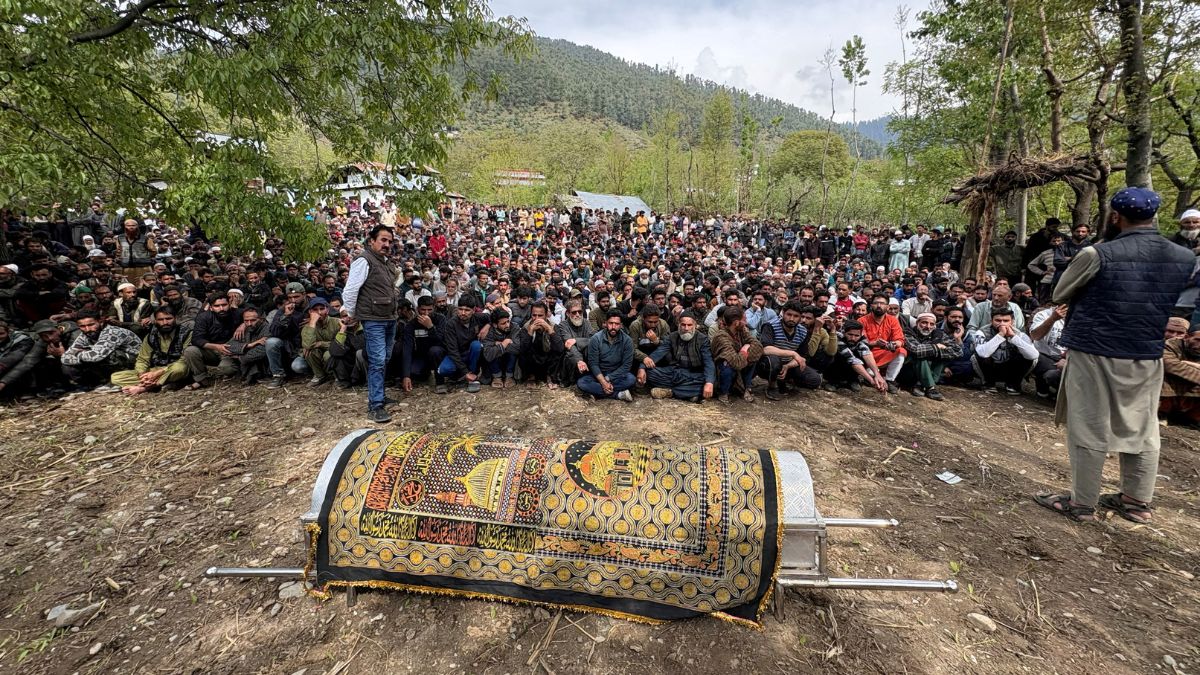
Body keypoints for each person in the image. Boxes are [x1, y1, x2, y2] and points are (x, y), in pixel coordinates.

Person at [1037, 187, 1194, 523]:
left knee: (1089, 426)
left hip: (1096, 348)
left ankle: (1082, 503)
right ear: (1155, 216)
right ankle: (1136, 501)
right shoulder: (1183, 257)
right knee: (1143, 427)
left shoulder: (1097, 254)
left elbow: (1060, 292)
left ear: (1115, 216)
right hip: (1147, 353)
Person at [341, 225, 400, 422]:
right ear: (372, 241)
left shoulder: (384, 262)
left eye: (390, 241)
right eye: (383, 240)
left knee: (384, 358)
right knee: (377, 360)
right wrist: (350, 312)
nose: (387, 244)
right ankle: (375, 405)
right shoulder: (364, 261)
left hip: (389, 317)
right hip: (374, 319)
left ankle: (379, 395)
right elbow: (350, 290)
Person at [111, 307, 193, 395]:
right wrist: (142, 376)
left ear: (175, 318)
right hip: (155, 369)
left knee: (179, 369)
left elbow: (184, 360)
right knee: (115, 377)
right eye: (160, 320)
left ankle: (145, 388)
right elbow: (142, 359)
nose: (165, 323)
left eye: (168, 319)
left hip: (174, 368)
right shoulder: (151, 336)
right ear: (155, 321)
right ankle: (154, 383)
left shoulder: (186, 333)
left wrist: (157, 373)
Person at [639, 313, 715, 402]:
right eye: (683, 325)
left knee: (712, 382)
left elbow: (708, 362)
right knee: (650, 373)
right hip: (675, 372)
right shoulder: (672, 337)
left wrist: (709, 382)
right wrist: (642, 368)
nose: (686, 328)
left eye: (689, 325)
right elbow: (658, 353)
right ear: (678, 325)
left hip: (693, 374)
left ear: (695, 326)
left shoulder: (703, 339)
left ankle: (670, 392)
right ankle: (687, 392)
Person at [60, 310, 140, 390]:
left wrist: (78, 354)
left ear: (100, 321)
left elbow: (96, 356)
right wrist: (84, 355)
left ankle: (117, 381)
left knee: (106, 355)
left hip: (136, 364)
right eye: (82, 326)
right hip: (108, 361)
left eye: (91, 324)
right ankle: (97, 383)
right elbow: (64, 358)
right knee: (68, 366)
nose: (87, 329)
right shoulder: (84, 335)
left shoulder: (113, 332)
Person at [759, 301, 821, 399]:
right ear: (783, 313)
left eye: (796, 316)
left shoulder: (803, 331)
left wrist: (787, 366)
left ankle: (786, 381)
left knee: (815, 379)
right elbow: (766, 349)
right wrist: (793, 353)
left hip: (789, 364)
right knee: (774, 361)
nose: (791, 319)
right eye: (789, 314)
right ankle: (772, 386)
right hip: (769, 363)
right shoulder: (770, 325)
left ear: (800, 317)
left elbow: (802, 356)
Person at [181, 292, 241, 389]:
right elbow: (196, 339)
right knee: (190, 351)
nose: (221, 308)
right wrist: (216, 347)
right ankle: (201, 379)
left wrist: (243, 325)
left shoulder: (237, 313)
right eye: (217, 306)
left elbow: (257, 317)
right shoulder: (203, 317)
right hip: (212, 350)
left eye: (224, 305)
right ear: (211, 307)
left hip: (231, 351)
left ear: (229, 304)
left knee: (226, 369)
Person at [971, 307, 1036, 394]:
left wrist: (1013, 337)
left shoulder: (1019, 334)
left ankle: (1013, 384)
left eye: (1006, 321)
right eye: (998, 320)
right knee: (976, 356)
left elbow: (1033, 355)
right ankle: (988, 383)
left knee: (1030, 357)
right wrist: (1000, 335)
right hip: (990, 367)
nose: (1002, 324)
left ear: (1012, 322)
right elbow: (983, 354)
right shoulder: (982, 332)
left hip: (1009, 368)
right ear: (991, 321)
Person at [897, 312, 960, 400]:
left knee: (938, 356)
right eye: (924, 323)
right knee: (920, 356)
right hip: (909, 372)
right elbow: (916, 350)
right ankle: (930, 388)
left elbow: (958, 351)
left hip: (928, 369)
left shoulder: (939, 334)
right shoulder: (908, 332)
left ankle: (921, 385)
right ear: (917, 323)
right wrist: (936, 347)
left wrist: (934, 352)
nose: (928, 326)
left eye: (931, 324)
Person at [577, 310, 636, 402]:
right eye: (611, 323)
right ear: (605, 323)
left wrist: (608, 379)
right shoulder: (596, 339)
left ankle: (597, 393)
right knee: (582, 383)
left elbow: (626, 366)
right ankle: (618, 395)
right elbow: (593, 364)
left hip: (616, 374)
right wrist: (603, 381)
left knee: (631, 379)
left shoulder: (627, 340)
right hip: (599, 374)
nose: (613, 327)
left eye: (617, 324)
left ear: (621, 325)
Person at [709, 306, 762, 403]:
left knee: (754, 359)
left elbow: (758, 346)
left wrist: (743, 354)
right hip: (726, 369)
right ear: (736, 323)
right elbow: (736, 363)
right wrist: (744, 349)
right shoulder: (721, 336)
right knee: (726, 365)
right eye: (744, 320)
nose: (746, 323)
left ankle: (746, 388)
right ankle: (723, 392)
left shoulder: (742, 331)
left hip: (740, 363)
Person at [437, 295, 485, 394]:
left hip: (470, 353)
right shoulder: (451, 324)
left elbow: (490, 319)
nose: (463, 313)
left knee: (476, 345)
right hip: (456, 354)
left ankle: (473, 376)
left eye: (467, 310)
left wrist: (487, 327)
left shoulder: (478, 317)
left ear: (473, 310)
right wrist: (465, 371)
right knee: (444, 370)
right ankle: (462, 375)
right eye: (460, 309)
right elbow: (452, 350)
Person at [823, 320, 888, 393]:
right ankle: (833, 381)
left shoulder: (862, 338)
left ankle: (852, 379)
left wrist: (877, 375)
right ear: (844, 332)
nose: (853, 338)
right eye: (850, 334)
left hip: (852, 364)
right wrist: (872, 381)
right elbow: (852, 360)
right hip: (834, 366)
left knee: (863, 354)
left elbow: (867, 353)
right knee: (840, 356)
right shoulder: (838, 336)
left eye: (856, 336)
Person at [860, 295, 906, 393]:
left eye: (882, 303)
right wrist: (875, 343)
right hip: (868, 355)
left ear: (887, 306)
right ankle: (872, 375)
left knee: (901, 351)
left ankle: (890, 380)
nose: (879, 306)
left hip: (886, 352)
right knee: (869, 374)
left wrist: (894, 344)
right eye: (876, 303)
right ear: (871, 305)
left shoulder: (892, 320)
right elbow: (860, 342)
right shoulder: (862, 320)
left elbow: (900, 340)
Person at [399, 295, 445, 392]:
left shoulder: (440, 319)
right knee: (413, 372)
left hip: (438, 354)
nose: (426, 313)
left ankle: (440, 382)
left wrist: (430, 327)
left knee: (435, 350)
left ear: (434, 308)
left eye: (430, 310)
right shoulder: (411, 325)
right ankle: (425, 374)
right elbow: (407, 349)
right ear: (418, 309)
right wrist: (406, 375)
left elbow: (441, 342)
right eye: (423, 310)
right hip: (422, 355)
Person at [514, 302, 564, 388]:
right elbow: (522, 350)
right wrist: (530, 333)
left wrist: (550, 330)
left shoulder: (553, 326)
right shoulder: (526, 327)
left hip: (548, 361)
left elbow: (560, 348)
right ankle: (531, 377)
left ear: (546, 315)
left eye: (540, 316)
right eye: (534, 315)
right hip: (533, 362)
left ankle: (551, 376)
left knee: (559, 351)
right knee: (524, 353)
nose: (537, 319)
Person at [1160, 323, 1200, 426]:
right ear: (1186, 337)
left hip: (1191, 389)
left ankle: (1192, 418)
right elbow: (1170, 365)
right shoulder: (1171, 344)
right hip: (1172, 383)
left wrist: (1190, 365)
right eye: (1197, 340)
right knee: (1162, 376)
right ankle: (1162, 413)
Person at [300, 297, 341, 386]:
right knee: (309, 352)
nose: (319, 312)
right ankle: (319, 376)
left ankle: (337, 376)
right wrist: (313, 322)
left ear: (327, 309)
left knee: (329, 355)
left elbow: (339, 344)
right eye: (315, 310)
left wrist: (320, 344)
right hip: (318, 352)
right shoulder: (308, 326)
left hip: (332, 350)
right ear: (310, 312)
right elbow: (308, 345)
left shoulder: (336, 322)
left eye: (322, 309)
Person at [1029, 304, 1067, 399]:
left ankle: (1061, 395)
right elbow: (1035, 336)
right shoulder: (1043, 314)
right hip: (1046, 356)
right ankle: (1042, 387)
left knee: (1053, 375)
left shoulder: (1082, 318)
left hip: (1069, 359)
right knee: (1035, 359)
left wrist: (1067, 360)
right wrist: (1053, 319)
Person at [481, 307, 520, 388]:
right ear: (495, 325)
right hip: (495, 363)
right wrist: (504, 344)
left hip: (510, 362)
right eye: (503, 323)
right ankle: (497, 376)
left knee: (512, 353)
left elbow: (518, 348)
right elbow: (488, 354)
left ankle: (509, 376)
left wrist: (496, 344)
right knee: (493, 353)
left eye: (508, 321)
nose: (507, 325)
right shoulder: (489, 331)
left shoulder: (514, 327)